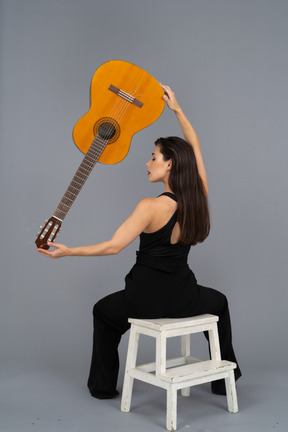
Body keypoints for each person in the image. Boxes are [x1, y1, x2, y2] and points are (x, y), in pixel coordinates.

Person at [37, 84, 241, 398]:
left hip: (142, 300)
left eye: (153, 156)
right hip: (185, 297)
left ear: (169, 163)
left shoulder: (149, 207)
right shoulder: (198, 198)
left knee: (103, 312)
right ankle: (223, 381)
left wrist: (68, 252)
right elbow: (195, 146)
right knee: (220, 303)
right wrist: (178, 110)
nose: (147, 163)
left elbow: (113, 246)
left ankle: (103, 387)